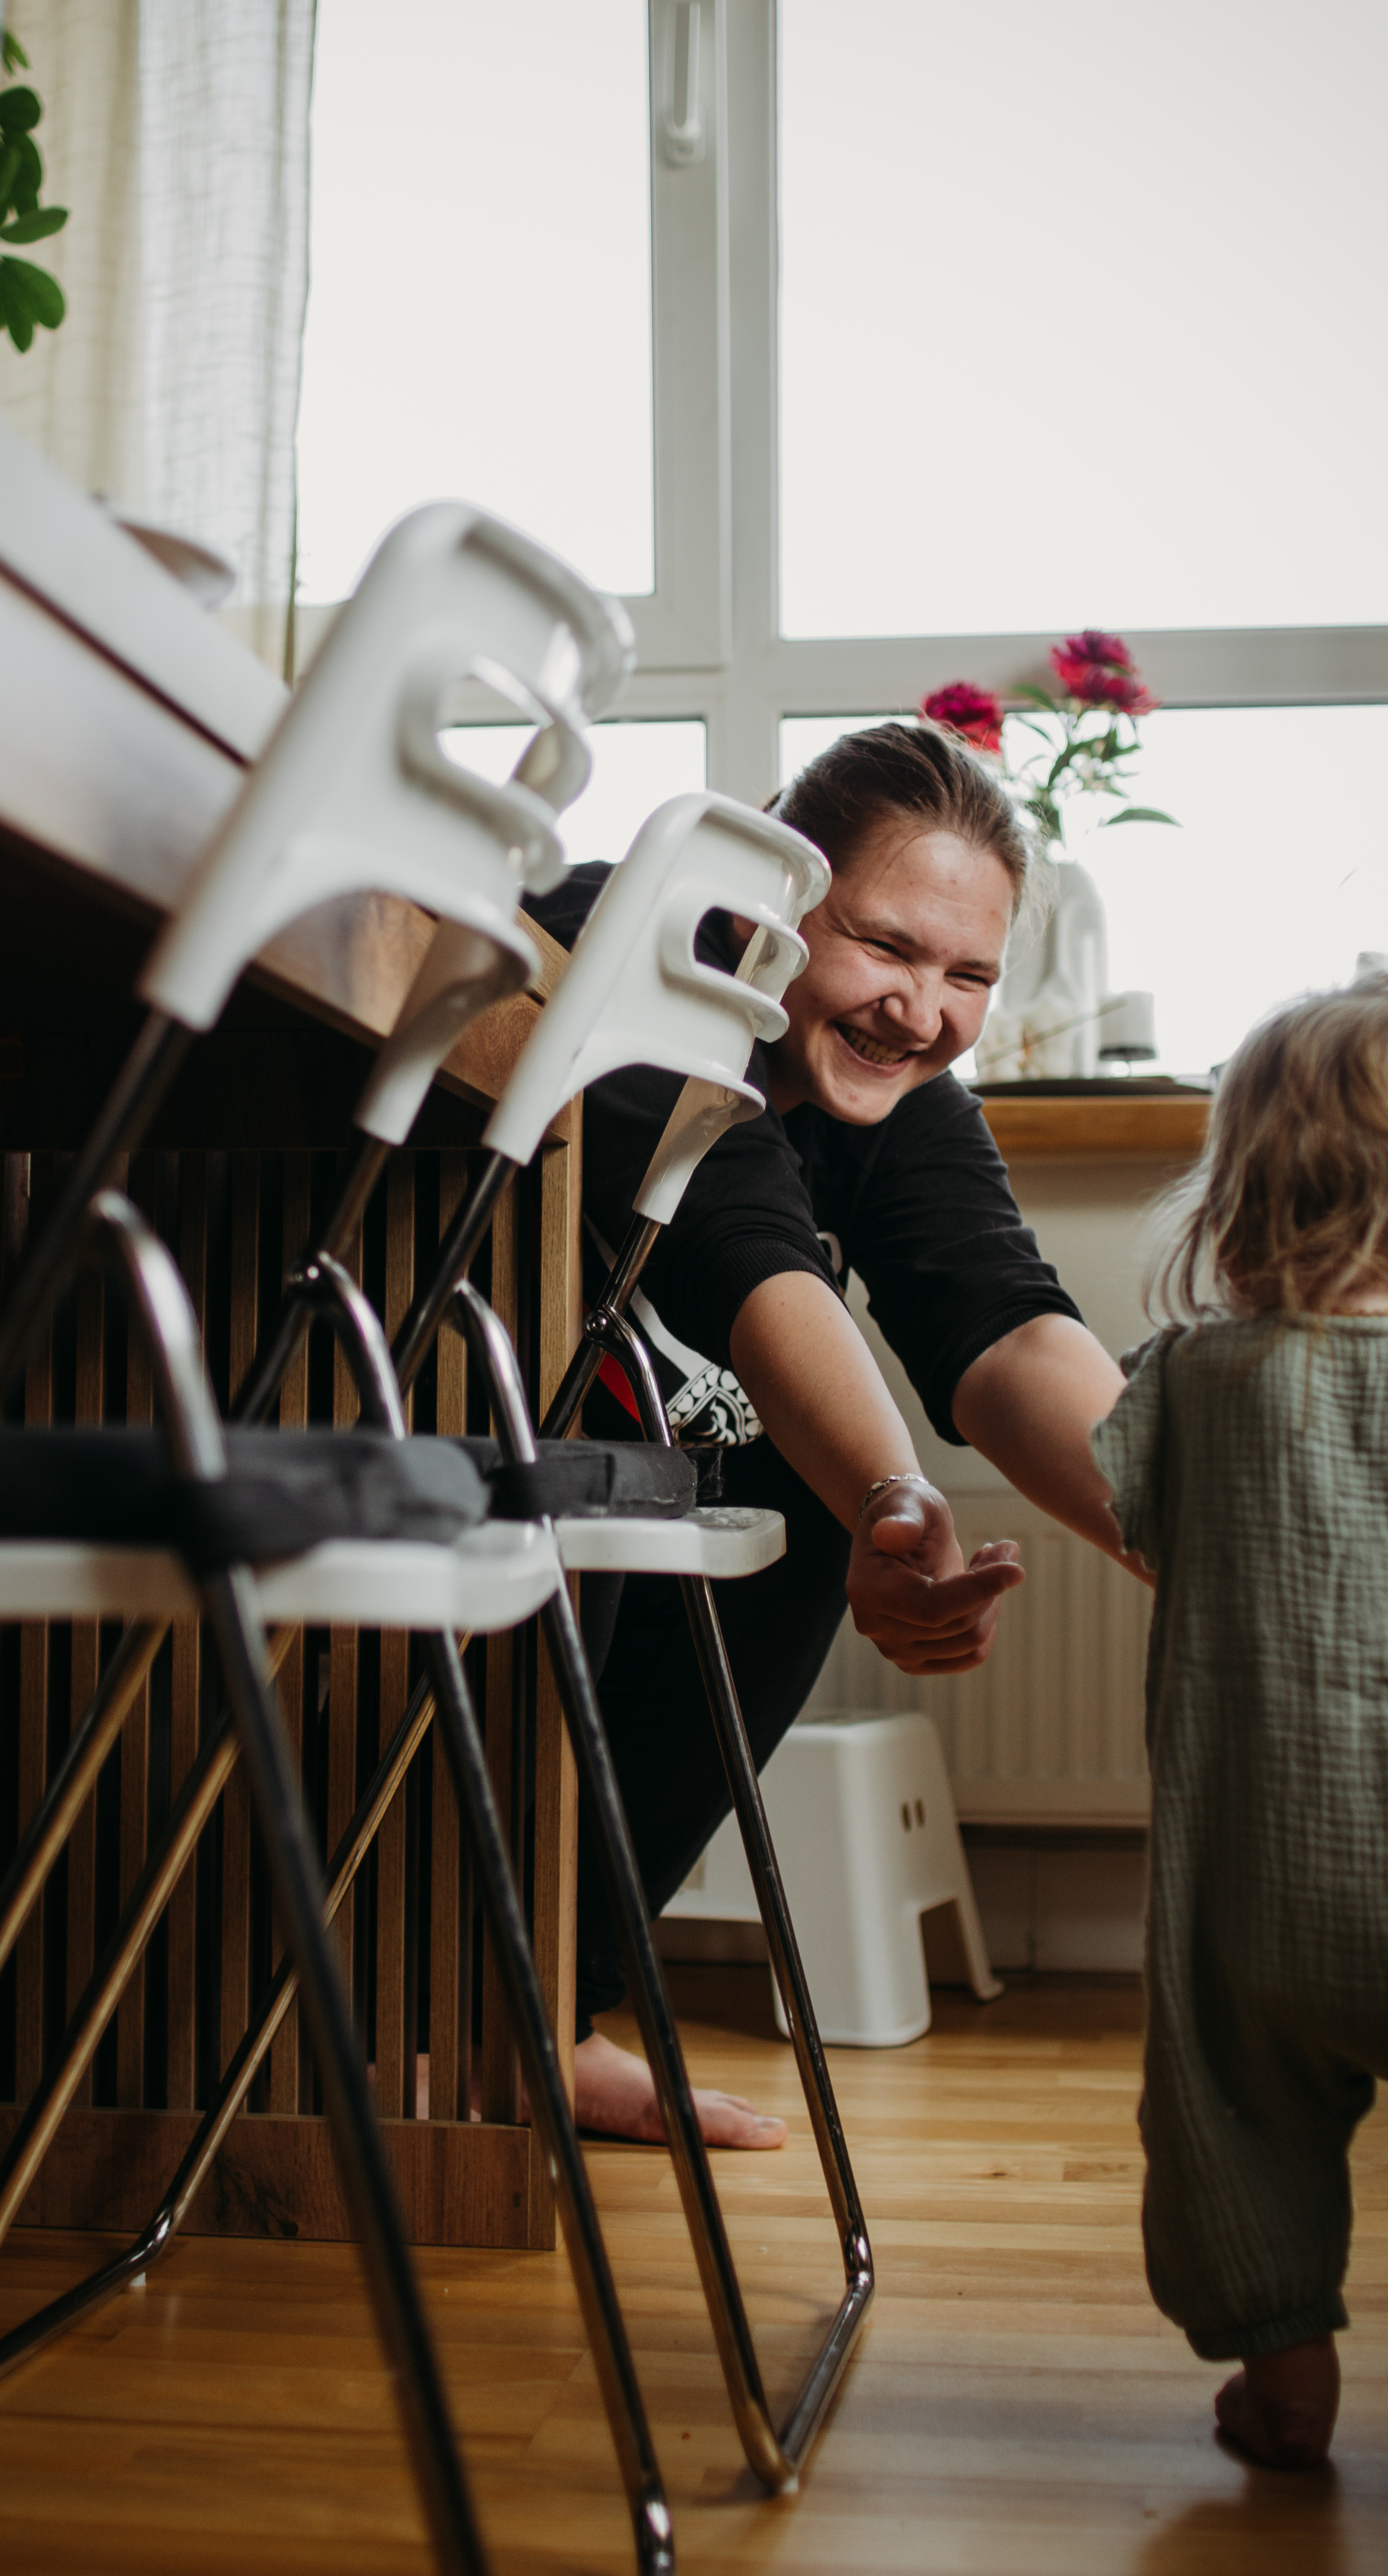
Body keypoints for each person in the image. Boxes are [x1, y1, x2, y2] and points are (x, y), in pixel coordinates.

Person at [526, 721, 1136, 2147]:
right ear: (772, 896)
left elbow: (996, 1319)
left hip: (546, 1416)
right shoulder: (651, 951)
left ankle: (549, 2008)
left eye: (967, 974)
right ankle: (478, 2012)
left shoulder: (888, 1081)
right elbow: (753, 1259)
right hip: (368, 1395)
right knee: (767, 1497)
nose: (921, 1012)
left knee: (787, 1517)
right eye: (882, 947)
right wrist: (887, 1500)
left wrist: (1196, 1531)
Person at [1090, 978, 1388, 2471]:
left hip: (1261, 1891)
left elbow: (1126, 1516)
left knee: (1233, 2109)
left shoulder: (1199, 1377)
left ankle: (1285, 2385)